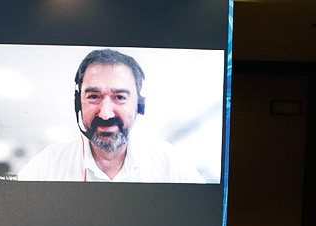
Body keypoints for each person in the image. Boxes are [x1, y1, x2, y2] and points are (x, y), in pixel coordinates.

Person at [17, 49, 205, 183]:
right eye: (94, 97)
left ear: (139, 105)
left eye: (120, 97)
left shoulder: (169, 162)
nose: (106, 114)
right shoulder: (47, 164)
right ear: (78, 103)